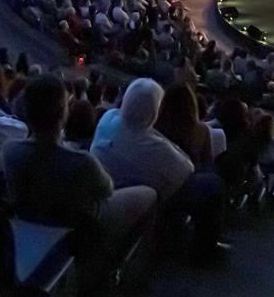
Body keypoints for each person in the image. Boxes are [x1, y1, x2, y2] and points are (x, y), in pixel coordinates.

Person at [2, 75, 156, 269]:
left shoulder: (9, 151)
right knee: (149, 194)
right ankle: (116, 266)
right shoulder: (82, 162)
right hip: (77, 228)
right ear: (62, 113)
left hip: (29, 223)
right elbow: (107, 190)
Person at [91, 78, 228, 261]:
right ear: (156, 111)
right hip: (129, 199)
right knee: (211, 183)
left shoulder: (108, 119)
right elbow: (187, 168)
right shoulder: (157, 149)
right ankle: (205, 249)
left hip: (110, 188)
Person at [153, 83, 213, 168]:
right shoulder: (202, 130)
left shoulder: (156, 128)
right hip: (190, 177)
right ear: (191, 103)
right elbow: (207, 164)